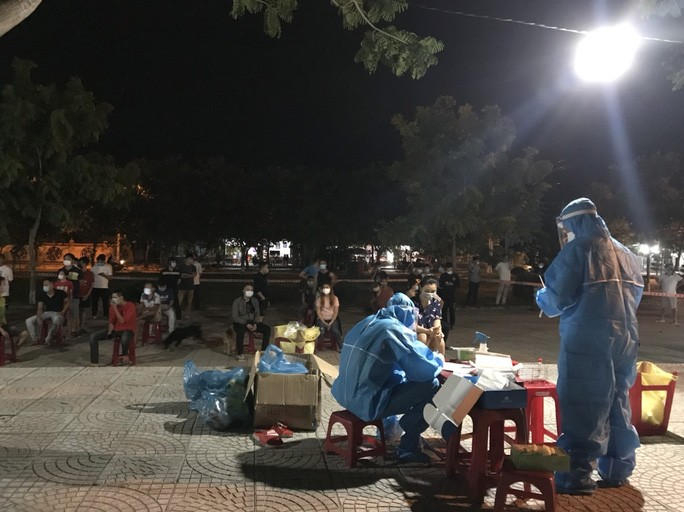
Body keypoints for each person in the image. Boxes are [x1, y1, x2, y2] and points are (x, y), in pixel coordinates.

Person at [536, 198, 643, 495]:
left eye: (568, 227)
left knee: (584, 402)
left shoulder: (578, 250)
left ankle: (577, 475)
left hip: (587, 340)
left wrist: (540, 297)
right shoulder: (627, 254)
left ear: (575, 222)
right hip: (625, 338)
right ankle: (618, 467)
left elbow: (556, 299)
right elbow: (634, 298)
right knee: (618, 400)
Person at [331, 293, 444, 463]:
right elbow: (423, 368)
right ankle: (408, 446)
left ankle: (388, 430)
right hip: (365, 402)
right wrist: (439, 358)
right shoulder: (393, 330)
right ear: (408, 313)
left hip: (343, 394)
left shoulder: (368, 322)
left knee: (396, 379)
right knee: (432, 384)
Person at [89, 290, 137, 366]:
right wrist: (109, 332)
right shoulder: (112, 308)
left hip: (128, 329)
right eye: (112, 298)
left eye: (115, 297)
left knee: (124, 338)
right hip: (116, 329)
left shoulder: (130, 306)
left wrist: (115, 308)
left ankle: (125, 355)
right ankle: (94, 362)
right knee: (93, 337)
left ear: (121, 297)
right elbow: (112, 322)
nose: (113, 300)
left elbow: (122, 321)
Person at [231, 284, 271, 361]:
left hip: (252, 322)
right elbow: (235, 317)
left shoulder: (254, 301)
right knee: (240, 331)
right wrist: (246, 324)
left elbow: (257, 314)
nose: (249, 291)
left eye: (251, 290)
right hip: (240, 323)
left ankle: (263, 351)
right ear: (243, 291)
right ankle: (240, 353)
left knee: (267, 329)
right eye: (247, 289)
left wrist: (255, 323)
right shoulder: (237, 302)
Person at [25, 279, 69, 345]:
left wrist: (63, 312)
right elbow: (40, 307)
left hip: (57, 313)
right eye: (44, 285)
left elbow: (67, 302)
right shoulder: (42, 294)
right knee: (28, 321)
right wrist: (38, 317)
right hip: (47, 313)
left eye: (46, 285)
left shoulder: (61, 293)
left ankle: (48, 338)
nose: (44, 286)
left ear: (52, 285)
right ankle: (34, 339)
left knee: (56, 322)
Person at [412, 277, 445, 355]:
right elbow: (410, 324)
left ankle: (441, 359)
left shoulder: (436, 303)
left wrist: (438, 331)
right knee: (422, 337)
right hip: (416, 331)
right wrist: (427, 331)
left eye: (433, 291)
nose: (430, 294)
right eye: (427, 291)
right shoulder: (412, 303)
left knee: (439, 338)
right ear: (420, 288)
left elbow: (437, 320)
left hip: (431, 331)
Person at [58, 254, 83, 336]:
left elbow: (81, 282)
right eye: (65, 259)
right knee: (64, 314)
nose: (66, 260)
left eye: (68, 259)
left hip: (74, 295)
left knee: (74, 313)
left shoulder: (78, 271)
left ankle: (75, 330)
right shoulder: (61, 270)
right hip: (62, 297)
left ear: (72, 260)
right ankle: (63, 331)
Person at [315, 283, 342, 348]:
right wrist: (324, 322)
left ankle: (341, 346)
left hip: (332, 319)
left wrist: (331, 323)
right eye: (324, 287)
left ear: (330, 289)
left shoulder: (335, 298)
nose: (325, 289)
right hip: (322, 319)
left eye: (327, 287)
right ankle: (320, 347)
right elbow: (318, 312)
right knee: (321, 332)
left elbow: (335, 312)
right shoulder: (319, 299)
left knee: (335, 331)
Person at [438, 262, 459, 330]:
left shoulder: (455, 276)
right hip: (444, 295)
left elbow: (458, 285)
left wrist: (452, 284)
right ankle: (445, 323)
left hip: (452, 295)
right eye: (448, 268)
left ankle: (452, 323)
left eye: (450, 268)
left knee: (452, 310)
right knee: (444, 310)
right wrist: (445, 284)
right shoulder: (443, 275)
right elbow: (440, 284)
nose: (449, 269)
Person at [91, 254, 113, 319]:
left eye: (100, 261)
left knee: (105, 302)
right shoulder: (94, 267)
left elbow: (110, 278)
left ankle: (105, 315)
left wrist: (104, 275)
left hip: (104, 287)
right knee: (94, 302)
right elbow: (91, 275)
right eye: (98, 261)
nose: (99, 263)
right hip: (95, 287)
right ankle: (94, 315)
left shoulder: (108, 267)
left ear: (104, 261)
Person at [78, 256, 95, 332]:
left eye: (81, 262)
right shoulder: (77, 272)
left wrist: (87, 295)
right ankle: (77, 325)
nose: (80, 264)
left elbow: (91, 285)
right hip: (77, 294)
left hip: (85, 294)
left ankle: (82, 326)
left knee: (83, 310)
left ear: (85, 263)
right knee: (77, 311)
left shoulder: (90, 273)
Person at [0, 253, 14, 326]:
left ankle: (4, 323)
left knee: (3, 308)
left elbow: (10, 280)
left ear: (3, 259)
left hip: (4, 292)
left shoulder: (8, 269)